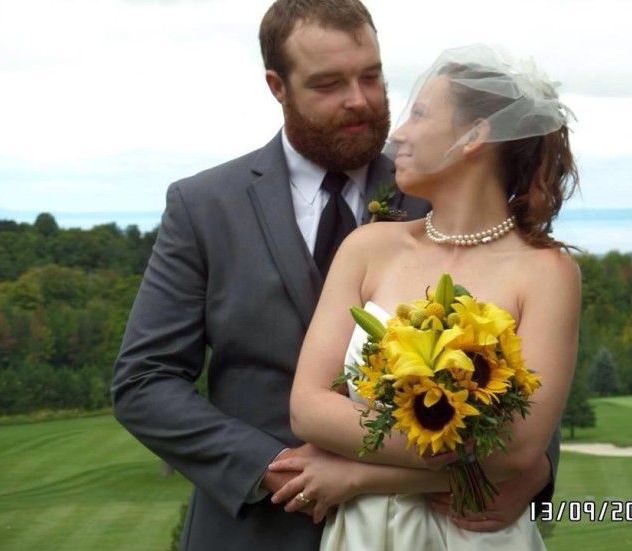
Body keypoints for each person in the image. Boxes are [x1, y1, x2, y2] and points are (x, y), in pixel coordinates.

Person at [111, 0, 558, 548]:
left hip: (438, 524)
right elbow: (144, 380)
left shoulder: (446, 186)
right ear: (279, 86)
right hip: (256, 529)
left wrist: (534, 471)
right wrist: (270, 468)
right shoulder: (204, 206)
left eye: (371, 76)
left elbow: (523, 373)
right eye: (328, 84)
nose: (360, 101)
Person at [270, 43, 581, 550]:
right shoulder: (368, 248)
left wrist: (361, 476)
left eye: (418, 114)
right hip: (365, 535)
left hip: (476, 534)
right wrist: (455, 458)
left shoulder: (548, 272)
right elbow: (308, 410)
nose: (398, 134)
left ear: (474, 136)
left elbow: (521, 450)